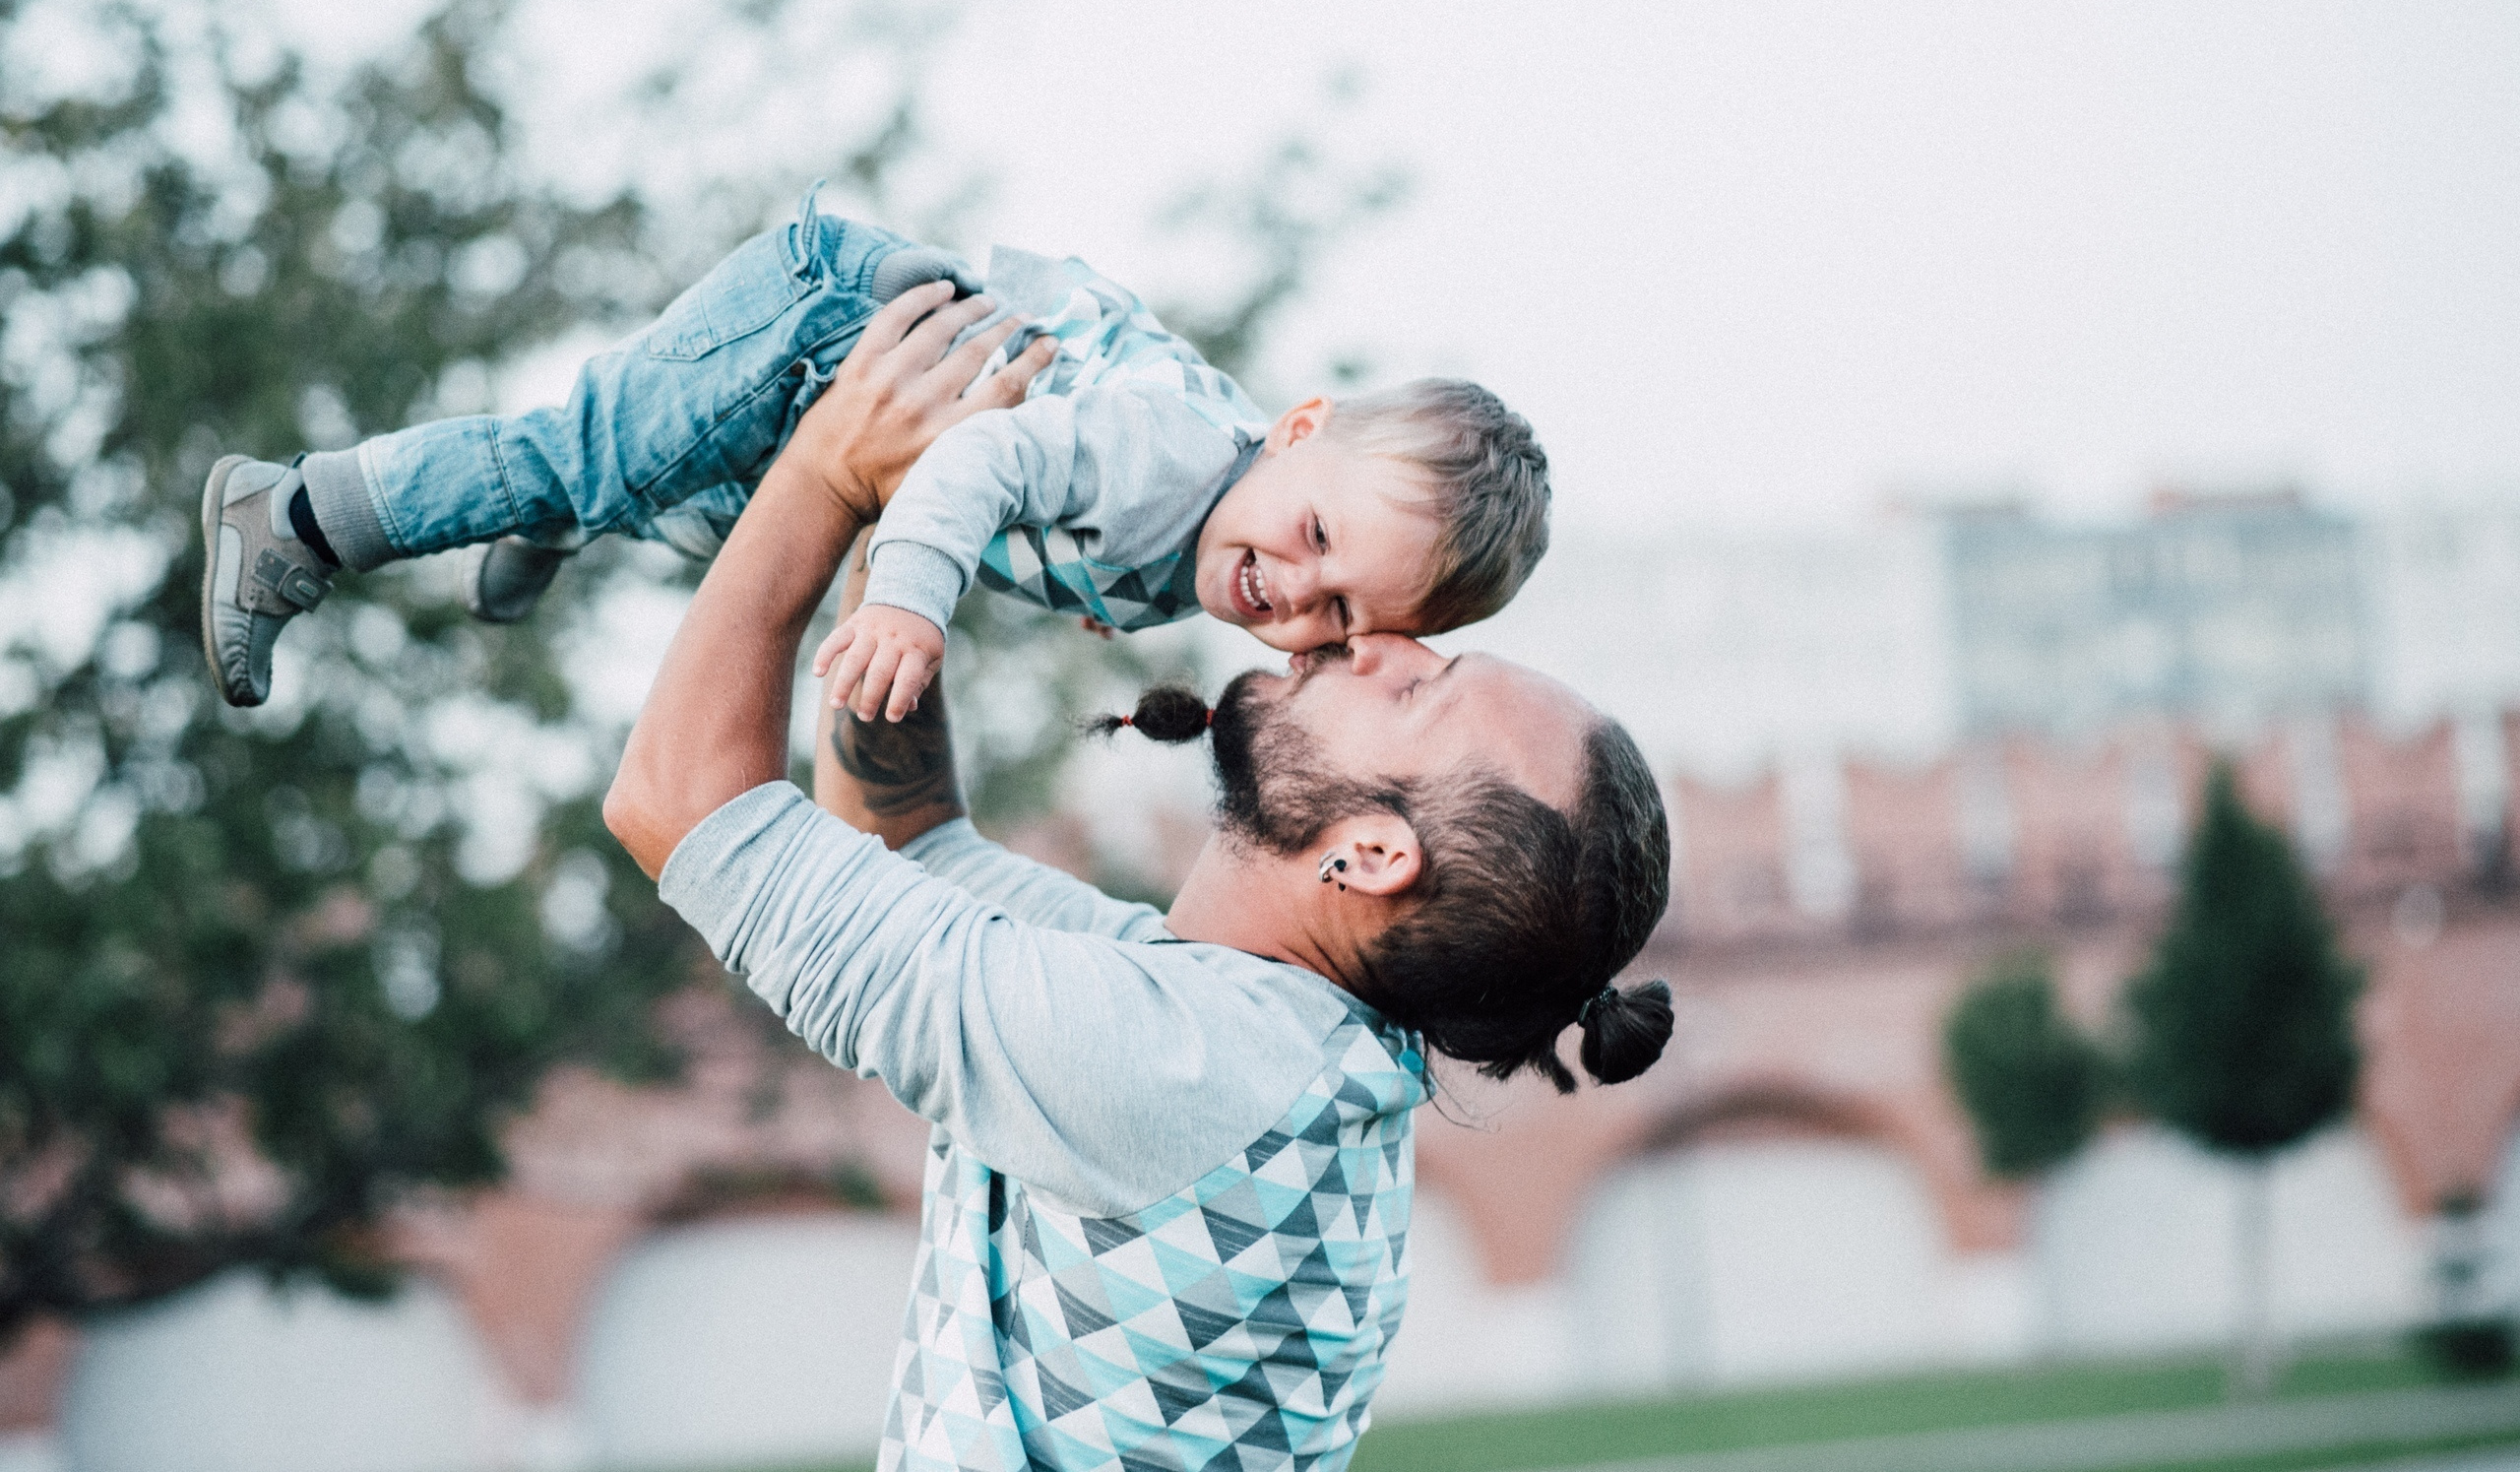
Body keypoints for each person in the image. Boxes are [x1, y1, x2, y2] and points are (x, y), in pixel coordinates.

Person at [601, 284, 1675, 1472]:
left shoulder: (1182, 1069)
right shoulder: (1256, 1037)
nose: (1375, 638)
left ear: (1371, 854)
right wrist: (900, 537)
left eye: (1420, 685)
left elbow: (677, 804)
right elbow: (907, 847)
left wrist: (828, 471)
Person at [198, 187, 1551, 716]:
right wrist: (908, 598)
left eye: (1334, 616)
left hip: (837, 412)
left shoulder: (1205, 541)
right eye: (1315, 542)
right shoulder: (1165, 455)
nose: (1291, 595)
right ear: (1297, 427)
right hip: (830, 315)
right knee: (593, 456)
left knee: (677, 511)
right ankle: (297, 518)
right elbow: (975, 473)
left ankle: (554, 511)